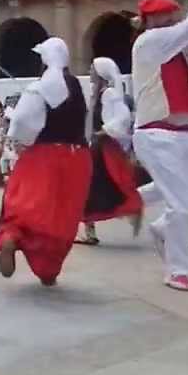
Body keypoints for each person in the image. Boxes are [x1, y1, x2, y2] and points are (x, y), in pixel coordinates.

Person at [131, 0, 188, 292]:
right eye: (165, 14)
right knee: (180, 204)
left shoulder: (170, 50)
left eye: (172, 14)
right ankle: (177, 270)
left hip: (182, 134)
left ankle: (163, 229)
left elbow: (169, 89)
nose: (171, 19)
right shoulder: (150, 41)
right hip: (156, 134)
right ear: (151, 20)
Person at [0, 38, 92, 286]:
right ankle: (48, 270)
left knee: (22, 206)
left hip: (42, 156)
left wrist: (19, 140)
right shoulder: (77, 87)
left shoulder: (40, 87)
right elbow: (86, 125)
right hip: (77, 158)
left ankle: (11, 237)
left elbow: (22, 122)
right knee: (62, 217)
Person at [77, 58, 143, 246]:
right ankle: (91, 229)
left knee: (98, 185)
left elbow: (123, 116)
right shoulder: (98, 94)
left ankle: (132, 208)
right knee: (92, 186)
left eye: (92, 69)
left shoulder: (108, 94)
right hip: (98, 145)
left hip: (104, 147)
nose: (89, 72)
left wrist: (104, 130)